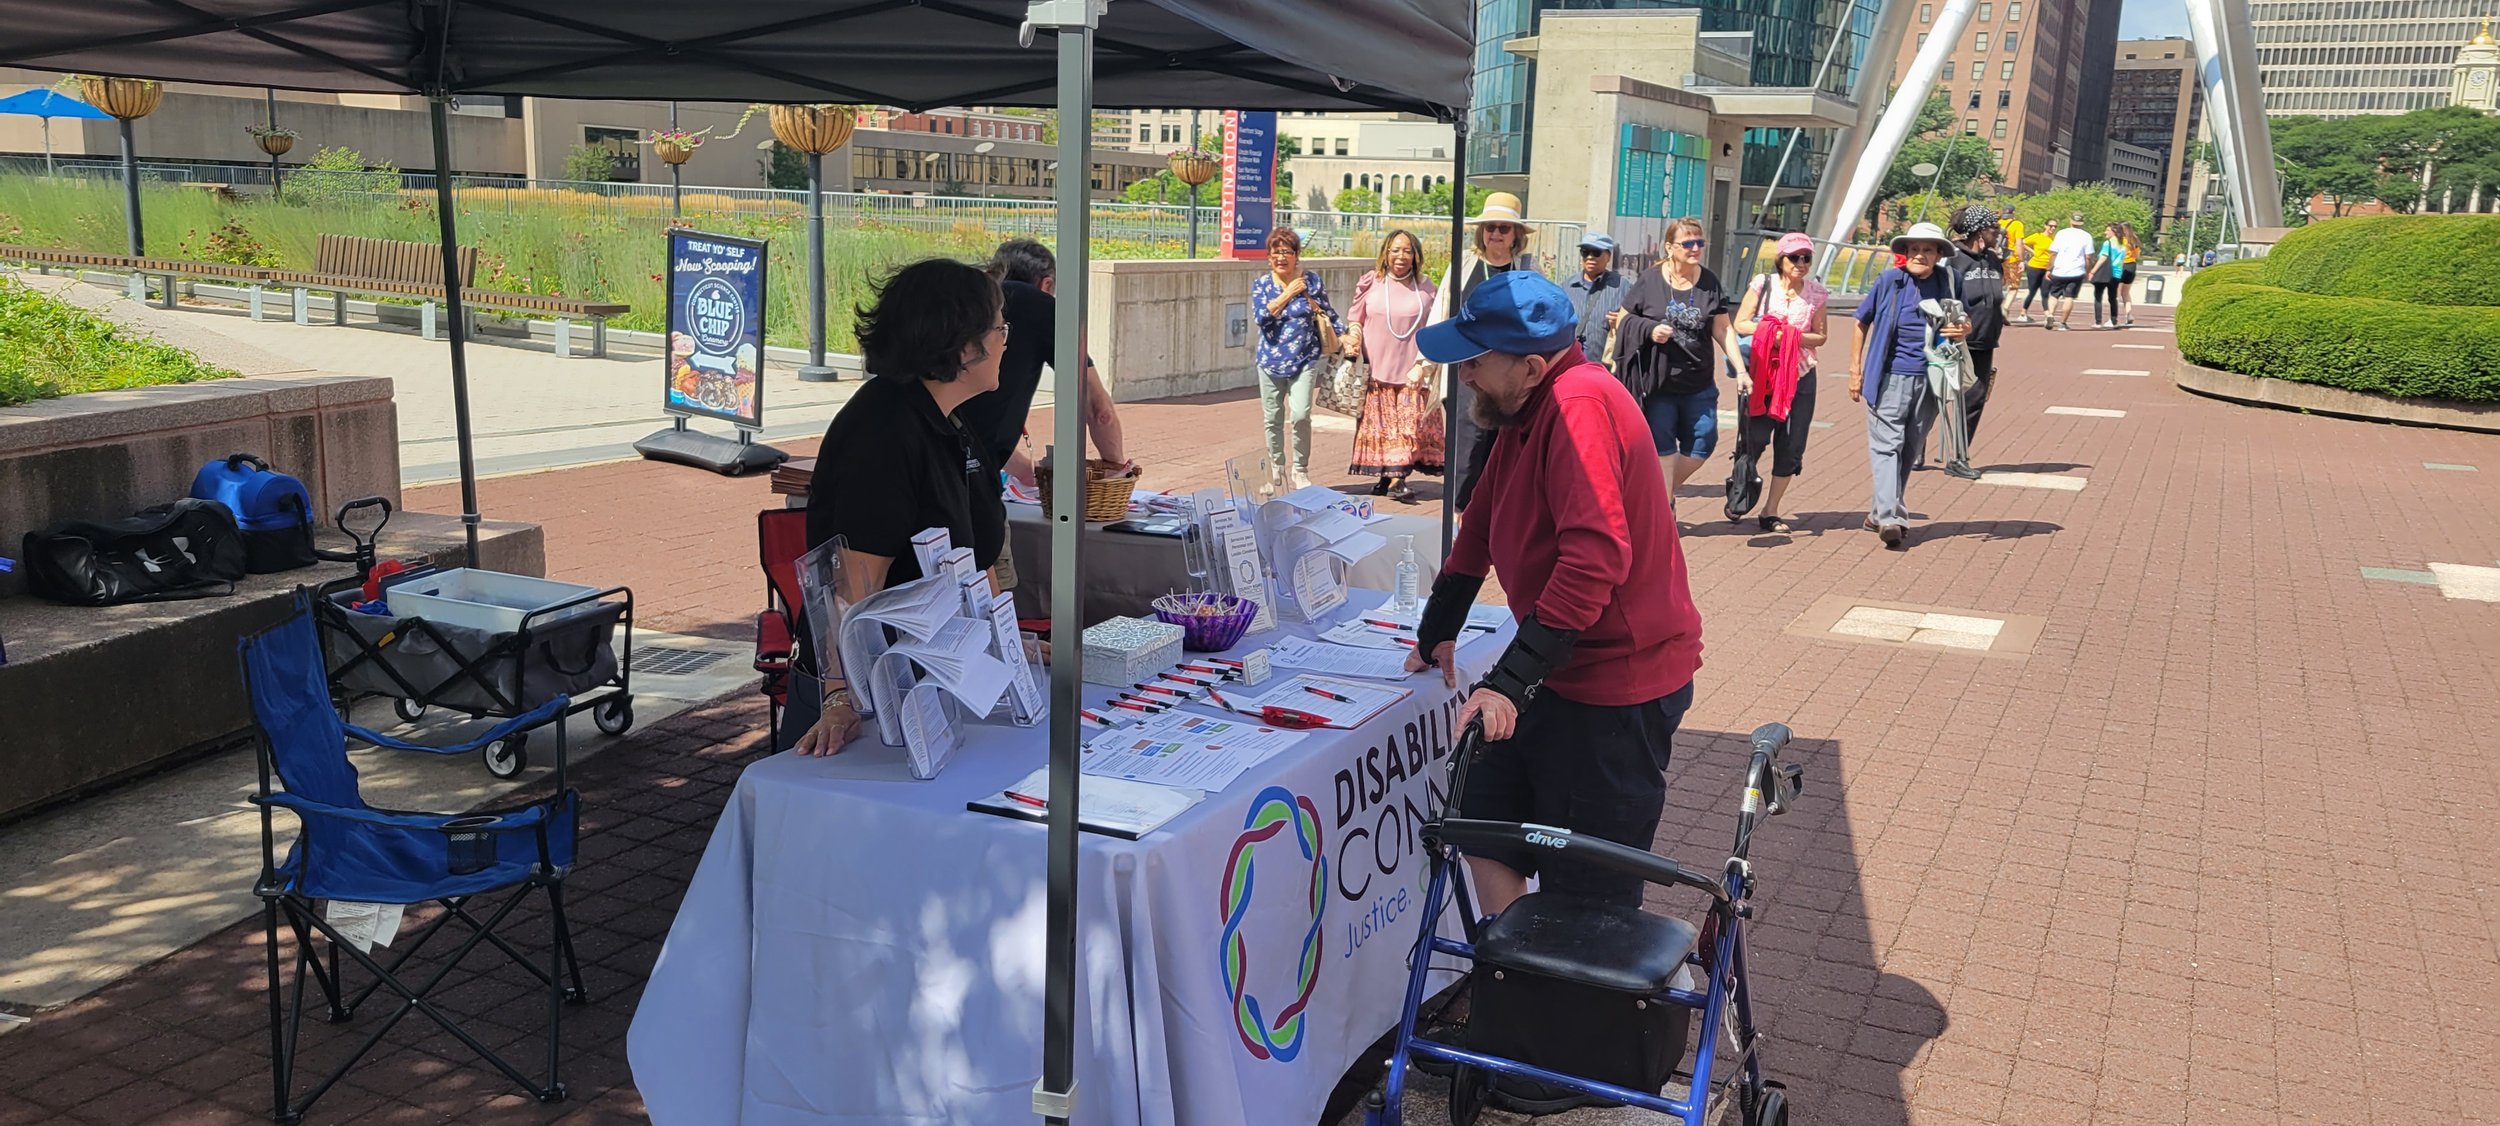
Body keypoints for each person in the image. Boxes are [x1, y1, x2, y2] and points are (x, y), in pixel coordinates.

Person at [1404, 269, 1701, 927]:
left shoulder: (1578, 407)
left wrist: (1509, 684)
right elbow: (1482, 517)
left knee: (1589, 889)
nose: (1466, 374)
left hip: (1614, 689)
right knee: (1480, 816)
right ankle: (1517, 969)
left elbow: (1595, 560)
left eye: (1476, 361)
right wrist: (1439, 624)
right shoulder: (1522, 406)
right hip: (1558, 668)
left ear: (1533, 366)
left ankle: (1561, 998)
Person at [791, 259, 1013, 753]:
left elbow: (977, 555)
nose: (1004, 341)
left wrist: (1005, 644)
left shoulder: (951, 418)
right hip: (873, 693)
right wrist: (840, 699)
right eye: (999, 328)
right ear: (963, 345)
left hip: (933, 677)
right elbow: (851, 587)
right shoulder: (883, 430)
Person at [960, 238, 1126, 483]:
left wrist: (1029, 472)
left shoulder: (967, 302)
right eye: (1000, 331)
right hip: (963, 478)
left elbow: (976, 424)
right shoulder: (1040, 307)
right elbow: (1098, 408)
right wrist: (1118, 470)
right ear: (1046, 283)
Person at [1848, 222, 1970, 550]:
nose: (1919, 255)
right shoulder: (1890, 281)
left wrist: (1962, 330)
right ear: (1905, 253)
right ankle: (1891, 516)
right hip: (1889, 376)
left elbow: (1964, 320)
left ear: (1939, 254)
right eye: (1914, 249)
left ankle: (1878, 513)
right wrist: (1854, 370)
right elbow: (1862, 322)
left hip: (1932, 378)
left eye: (1927, 250)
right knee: (1886, 445)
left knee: (1910, 447)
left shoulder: (1950, 281)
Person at [1611, 216, 1750, 497]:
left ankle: (1653, 497)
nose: (1695, 248)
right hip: (1658, 384)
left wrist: (1741, 371)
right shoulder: (1650, 280)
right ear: (1669, 247)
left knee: (1703, 442)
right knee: (1662, 448)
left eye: (1699, 242)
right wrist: (1650, 330)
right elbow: (1623, 320)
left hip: (1698, 382)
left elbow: (1723, 328)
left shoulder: (1709, 282)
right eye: (1688, 243)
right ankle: (1663, 509)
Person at [1427, 191, 1538, 510]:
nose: (1496, 234)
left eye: (1504, 228)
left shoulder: (1528, 269)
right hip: (1467, 372)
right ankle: (1458, 514)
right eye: (1490, 227)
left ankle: (1496, 516)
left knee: (1504, 447)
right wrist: (1427, 362)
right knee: (1468, 447)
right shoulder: (1463, 264)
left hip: (1510, 375)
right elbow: (1442, 310)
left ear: (1516, 234)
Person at [1728, 231, 1830, 532]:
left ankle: (1770, 511)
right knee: (1754, 437)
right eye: (1794, 257)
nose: (1800, 263)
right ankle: (1741, 489)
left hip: (1800, 376)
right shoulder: (1763, 285)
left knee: (1792, 444)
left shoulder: (1816, 293)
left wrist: (1791, 336)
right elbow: (1740, 322)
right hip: (1763, 375)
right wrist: (1772, 331)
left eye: (1806, 258)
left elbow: (1821, 336)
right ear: (1780, 259)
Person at [1343, 228, 1443, 502]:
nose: (1401, 256)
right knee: (1384, 428)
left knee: (1408, 429)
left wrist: (1427, 364)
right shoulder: (1371, 283)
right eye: (1395, 250)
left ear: (1416, 256)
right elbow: (1355, 319)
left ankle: (1399, 478)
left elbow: (1435, 326)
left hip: (1412, 371)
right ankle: (1387, 475)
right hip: (1377, 371)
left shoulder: (1426, 288)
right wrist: (1352, 337)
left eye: (1407, 250)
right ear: (1386, 253)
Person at [1251, 227, 1342, 491]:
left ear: (1296, 255)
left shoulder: (1311, 280)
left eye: (1287, 252)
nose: (1281, 258)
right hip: (1269, 360)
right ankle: (1275, 466)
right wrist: (1289, 293)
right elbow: (1261, 317)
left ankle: (1300, 469)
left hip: (1304, 358)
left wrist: (1348, 335)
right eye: (1275, 253)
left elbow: (1327, 311)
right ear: (1268, 257)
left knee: (1301, 414)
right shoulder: (1262, 284)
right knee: (1273, 417)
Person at [1942, 204, 2013, 477]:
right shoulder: (1953, 258)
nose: (1999, 232)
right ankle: (1916, 447)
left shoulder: (1993, 260)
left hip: (1985, 340)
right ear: (1979, 231)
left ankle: (1958, 458)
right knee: (1936, 395)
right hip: (1955, 341)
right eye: (1994, 228)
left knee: (1974, 398)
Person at [1564, 231, 1627, 367]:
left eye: (1596, 252)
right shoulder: (1566, 287)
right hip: (1570, 367)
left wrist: (1623, 321)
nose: (1590, 257)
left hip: (1605, 368)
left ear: (1608, 256)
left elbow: (1637, 321)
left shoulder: (1622, 287)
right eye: (1585, 252)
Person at [2045, 212, 2097, 331]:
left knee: (2054, 295)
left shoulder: (2061, 233)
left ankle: (2050, 314)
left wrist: (2049, 268)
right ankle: (2063, 323)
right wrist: (2087, 270)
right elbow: (2089, 257)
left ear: (2070, 221)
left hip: (2059, 269)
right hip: (2076, 270)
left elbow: (2053, 252)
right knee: (2069, 296)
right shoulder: (2086, 236)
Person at [2016, 220, 2055, 323]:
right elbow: (2023, 242)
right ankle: (2023, 313)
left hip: (2047, 268)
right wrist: (2033, 251)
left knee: (2045, 292)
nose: (2053, 228)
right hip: (2034, 267)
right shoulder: (2037, 236)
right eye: (2050, 226)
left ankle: (2047, 315)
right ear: (2045, 226)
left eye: (2055, 226)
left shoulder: (2054, 239)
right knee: (2032, 291)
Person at [2087, 222, 2123, 329]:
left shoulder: (2108, 243)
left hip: (2105, 272)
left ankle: (2098, 321)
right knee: (2112, 297)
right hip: (2117, 272)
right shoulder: (2122, 244)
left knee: (2098, 296)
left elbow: (2103, 258)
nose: (2105, 232)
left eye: (2107, 230)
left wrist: (2092, 271)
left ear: (2114, 231)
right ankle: (2113, 320)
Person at [2112, 222, 2142, 327]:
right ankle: (2129, 314)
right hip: (2132, 266)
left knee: (2116, 293)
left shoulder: (2119, 240)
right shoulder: (2134, 241)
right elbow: (2137, 256)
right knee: (2126, 293)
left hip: (2121, 265)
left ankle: (2113, 316)